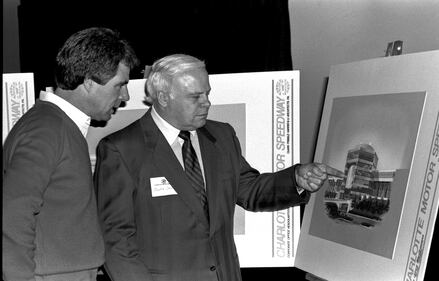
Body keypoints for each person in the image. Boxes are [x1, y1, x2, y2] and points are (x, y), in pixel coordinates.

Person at [94, 54, 344, 281]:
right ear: (163, 97)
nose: (207, 103)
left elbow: (250, 189)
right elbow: (115, 239)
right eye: (195, 97)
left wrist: (296, 179)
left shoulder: (222, 136)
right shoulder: (121, 149)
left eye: (207, 93)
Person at [2, 27, 138, 281]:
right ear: (88, 82)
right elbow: (12, 211)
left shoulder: (56, 124)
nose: (125, 96)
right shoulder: (46, 128)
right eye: (120, 85)